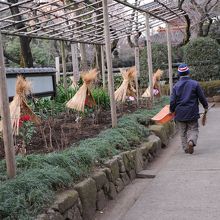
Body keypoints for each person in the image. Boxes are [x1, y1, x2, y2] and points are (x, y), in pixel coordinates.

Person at [170, 64, 208, 154]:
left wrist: (172, 110)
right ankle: (191, 141)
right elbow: (202, 97)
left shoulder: (176, 86)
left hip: (180, 113)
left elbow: (172, 101)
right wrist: (205, 106)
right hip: (192, 112)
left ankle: (186, 148)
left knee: (182, 132)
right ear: (188, 73)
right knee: (193, 128)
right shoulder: (195, 84)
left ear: (179, 74)